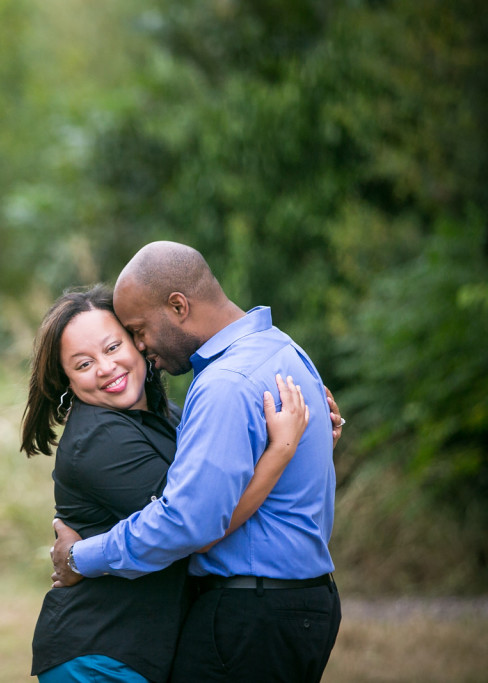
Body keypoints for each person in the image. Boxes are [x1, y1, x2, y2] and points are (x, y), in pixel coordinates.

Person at [51, 242, 343, 682]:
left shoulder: (223, 383)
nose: (141, 345)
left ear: (178, 306)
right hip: (306, 606)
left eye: (138, 330)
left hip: (250, 614)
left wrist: (79, 557)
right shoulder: (283, 350)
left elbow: (189, 523)